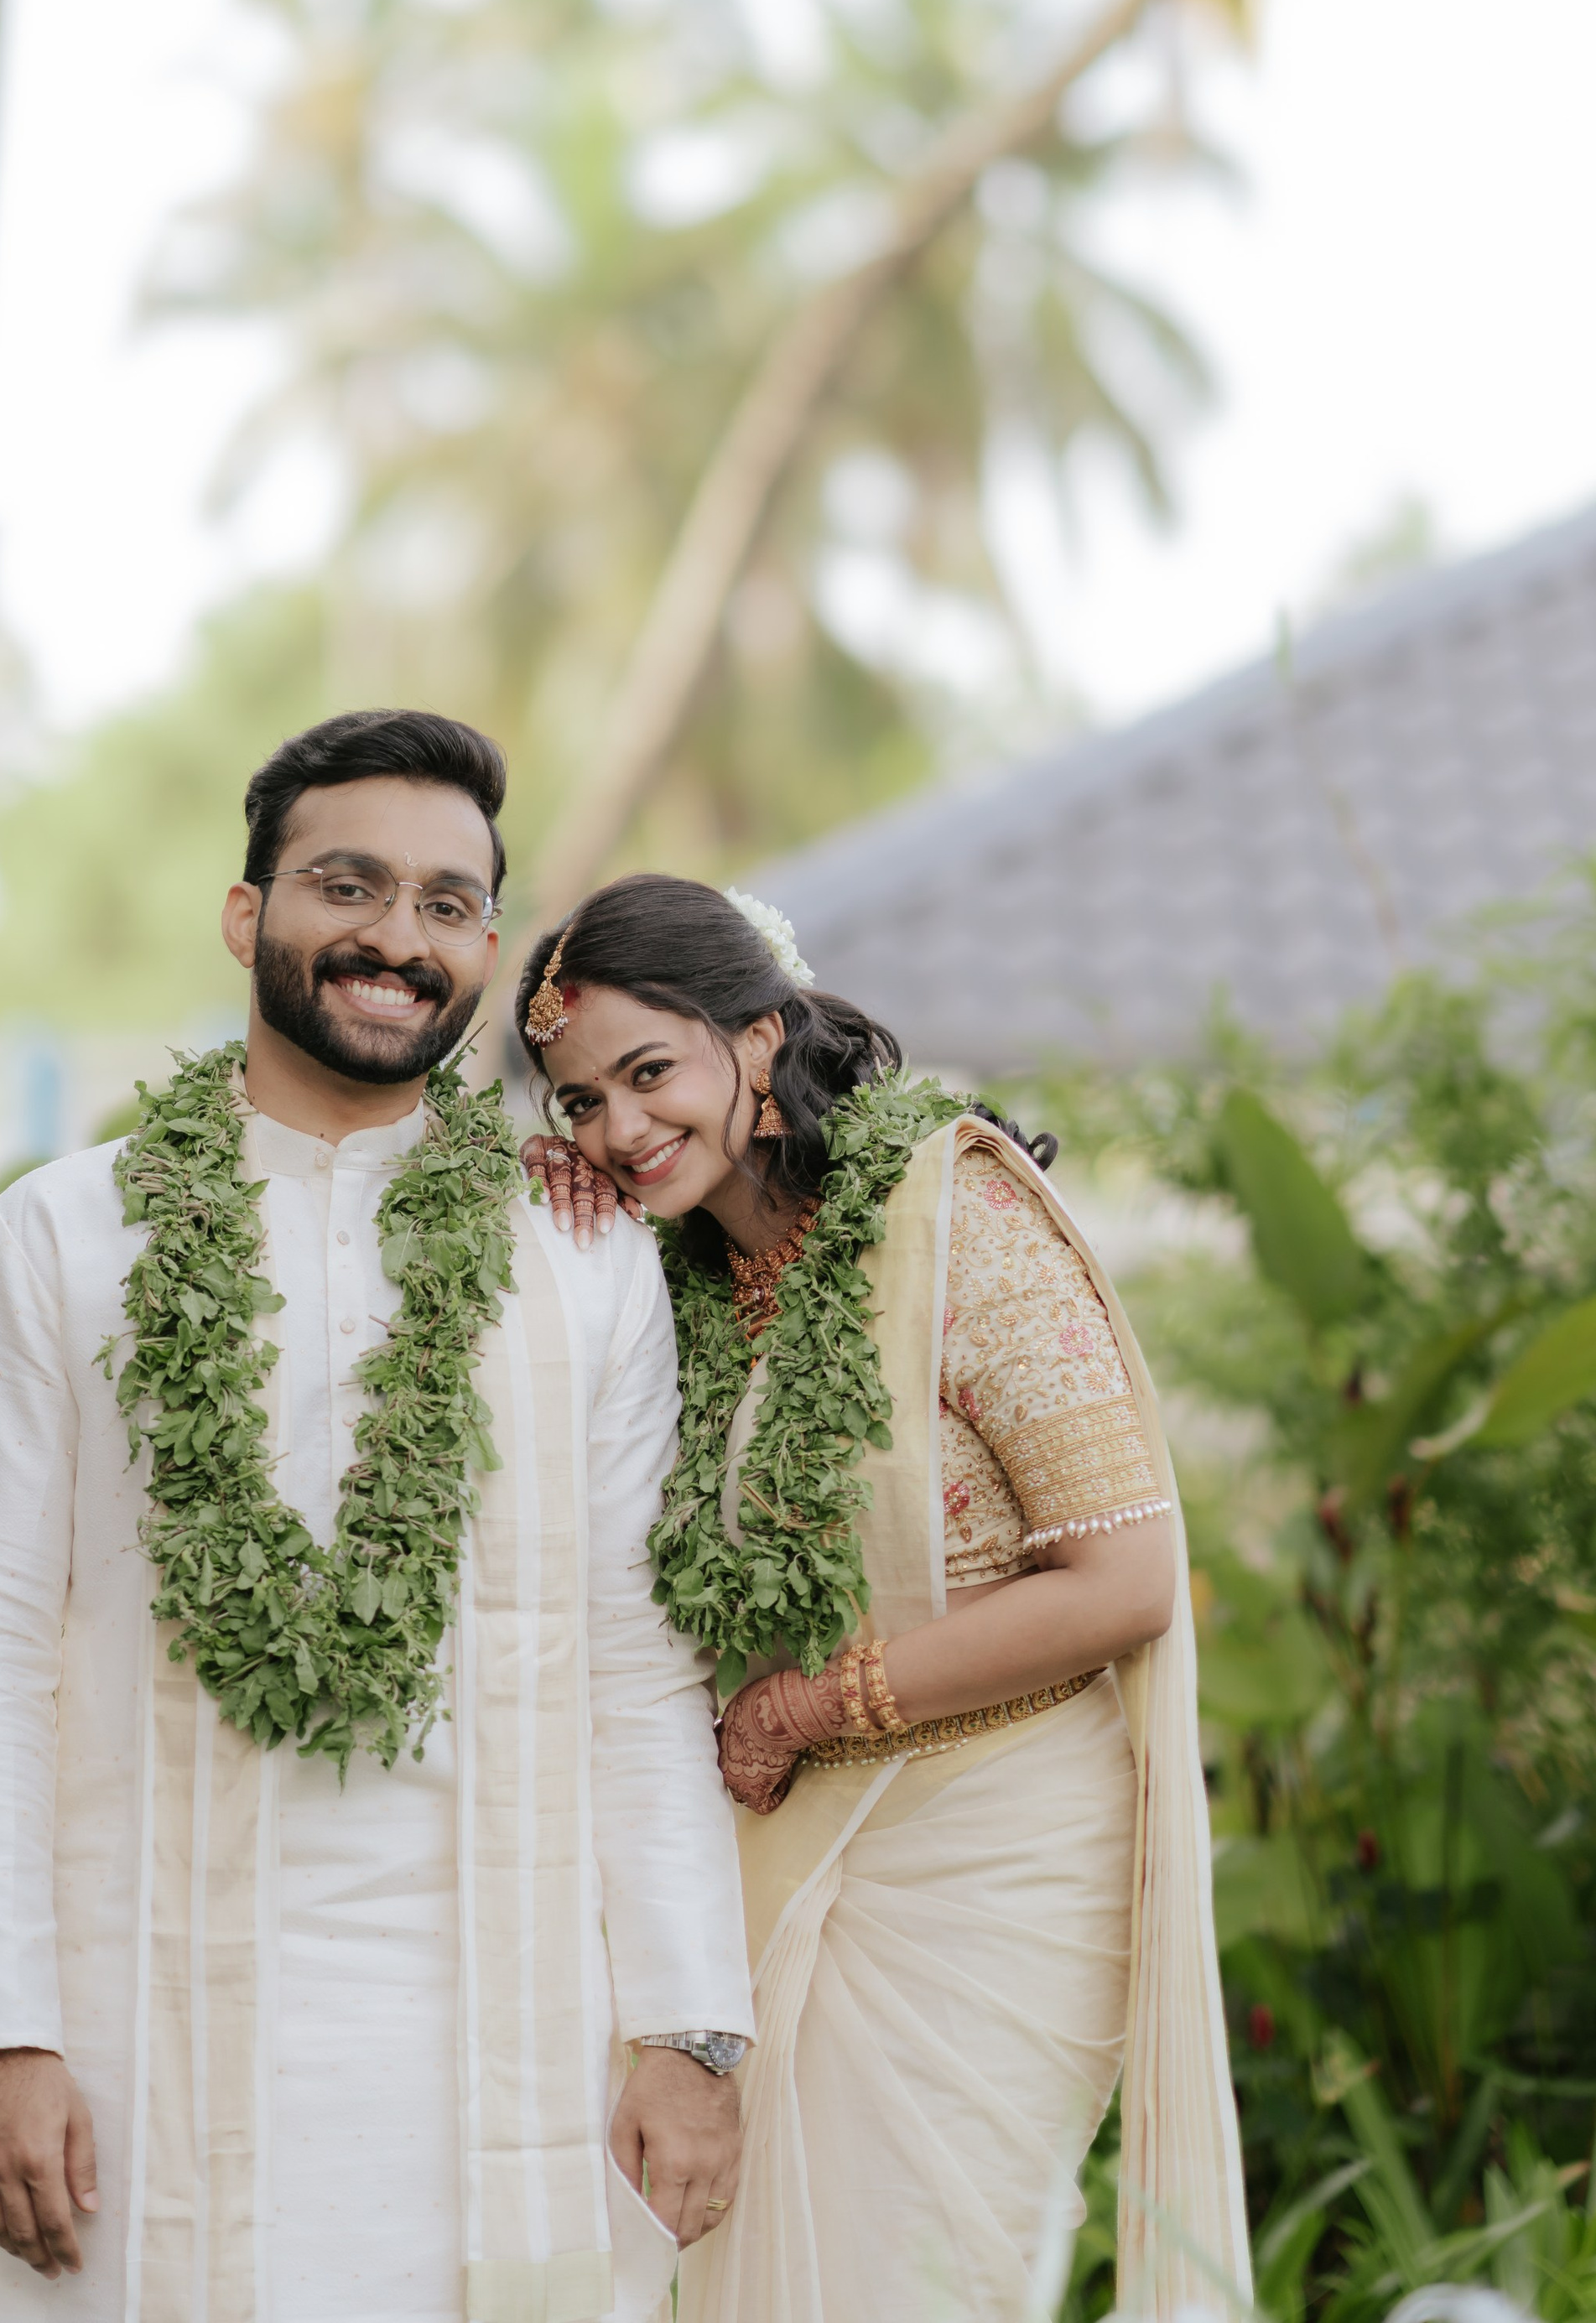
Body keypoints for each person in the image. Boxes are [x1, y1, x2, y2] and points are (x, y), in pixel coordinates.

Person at [0, 711, 753, 2323]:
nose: (395, 938)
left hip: (511, 2038)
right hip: (138, 2018)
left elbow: (641, 1667)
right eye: (346, 885)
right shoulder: (58, 1240)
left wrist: (692, 2027)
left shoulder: (580, 1255)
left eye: (446, 904)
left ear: (489, 950)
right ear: (248, 916)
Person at [517, 872, 1249, 2323]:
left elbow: (1130, 1578)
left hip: (994, 1853)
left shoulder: (954, 1215)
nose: (617, 1127)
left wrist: (814, 1703)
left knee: (909, 2280)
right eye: (579, 1102)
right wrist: (545, 1227)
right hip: (789, 1853)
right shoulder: (687, 1275)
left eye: (648, 1072)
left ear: (761, 1041)